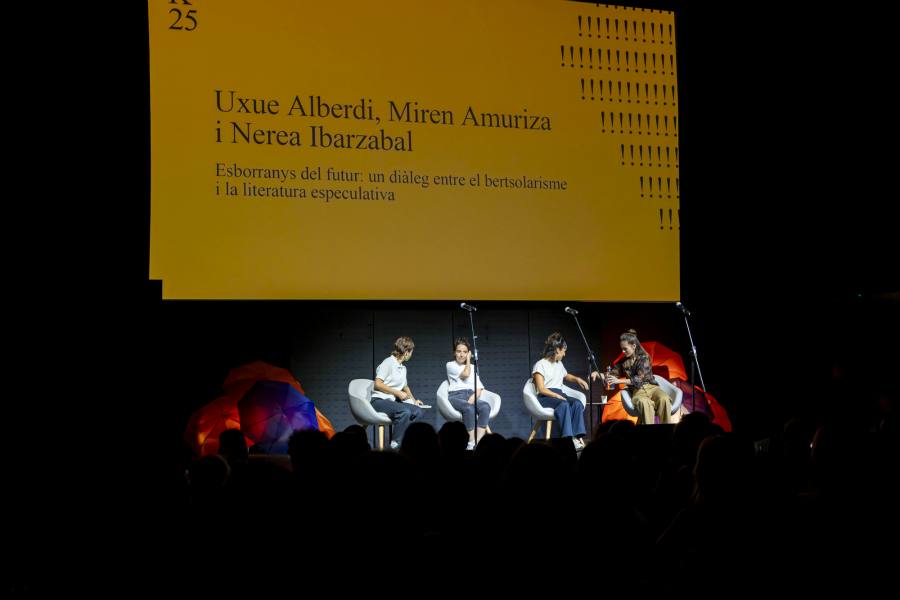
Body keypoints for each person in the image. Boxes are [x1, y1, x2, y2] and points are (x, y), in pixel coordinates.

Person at [592, 329, 671, 424]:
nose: (623, 351)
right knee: (644, 403)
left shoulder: (644, 358)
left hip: (652, 388)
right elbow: (611, 374)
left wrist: (619, 381)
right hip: (637, 391)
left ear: (634, 346)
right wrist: (597, 374)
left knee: (664, 399)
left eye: (625, 349)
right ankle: (649, 432)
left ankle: (667, 430)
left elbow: (640, 378)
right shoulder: (623, 362)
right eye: (622, 349)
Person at [532, 332, 588, 450]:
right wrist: (555, 395)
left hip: (559, 394)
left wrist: (577, 379)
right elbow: (541, 389)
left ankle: (576, 437)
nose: (564, 354)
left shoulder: (559, 363)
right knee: (564, 404)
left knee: (577, 404)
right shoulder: (540, 365)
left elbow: (566, 376)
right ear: (557, 350)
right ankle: (568, 439)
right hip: (545, 396)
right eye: (563, 351)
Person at [372, 336, 425, 449]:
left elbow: (405, 387)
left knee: (418, 412)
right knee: (404, 411)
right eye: (411, 352)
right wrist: (397, 392)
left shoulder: (402, 368)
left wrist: (414, 401)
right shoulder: (388, 362)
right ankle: (395, 445)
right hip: (379, 401)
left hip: (392, 402)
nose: (411, 354)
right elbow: (378, 384)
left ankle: (408, 442)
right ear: (406, 352)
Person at [446, 337, 491, 450]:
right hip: (456, 395)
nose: (461, 354)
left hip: (470, 394)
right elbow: (465, 374)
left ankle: (478, 442)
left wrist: (473, 397)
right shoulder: (450, 365)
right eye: (459, 351)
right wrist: (468, 360)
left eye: (465, 352)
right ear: (454, 353)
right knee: (469, 408)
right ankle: (470, 443)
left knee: (485, 407)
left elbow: (479, 388)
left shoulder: (472, 367)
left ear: (468, 353)